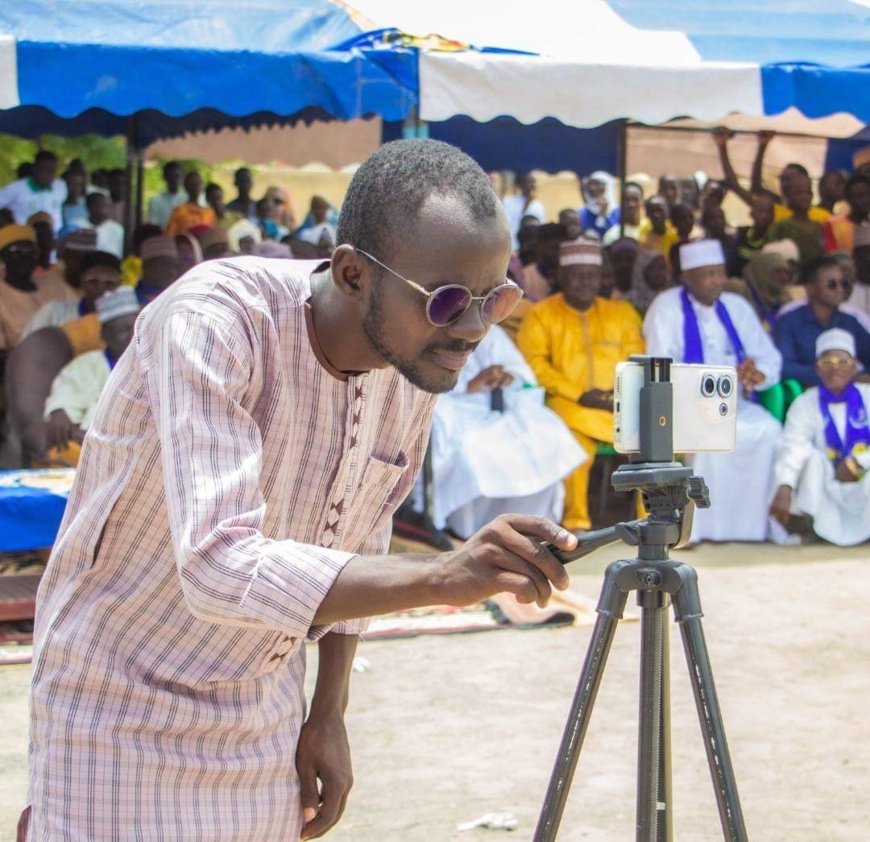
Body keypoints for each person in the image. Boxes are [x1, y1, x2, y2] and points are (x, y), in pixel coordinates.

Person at [21, 138, 575, 841]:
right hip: (119, 703)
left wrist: (328, 708)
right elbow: (220, 569)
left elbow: (363, 530)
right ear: (351, 274)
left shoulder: (414, 355)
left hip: (263, 709)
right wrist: (442, 574)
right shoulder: (215, 324)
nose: (471, 328)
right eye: (447, 301)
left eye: (494, 299)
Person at [642, 239, 783, 543]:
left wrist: (758, 373)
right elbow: (661, 365)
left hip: (735, 404)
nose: (717, 281)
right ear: (687, 278)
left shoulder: (737, 306)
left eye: (720, 273)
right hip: (685, 406)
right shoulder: (666, 307)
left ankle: (753, 528)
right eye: (707, 274)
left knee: (769, 431)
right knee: (708, 442)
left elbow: (769, 356)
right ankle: (701, 529)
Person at [517, 238, 644, 531]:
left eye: (592, 275)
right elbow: (534, 365)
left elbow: (638, 359)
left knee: (652, 440)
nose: (585, 282)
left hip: (619, 403)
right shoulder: (541, 314)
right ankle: (576, 523)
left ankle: (651, 520)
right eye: (577, 275)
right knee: (575, 448)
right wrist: (579, 395)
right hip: (569, 405)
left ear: (601, 278)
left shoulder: (621, 313)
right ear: (562, 276)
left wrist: (619, 393)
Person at [421, 324, 585, 538]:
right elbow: (428, 384)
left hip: (498, 405)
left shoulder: (491, 332)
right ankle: (467, 531)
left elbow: (521, 371)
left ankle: (529, 528)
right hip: (456, 407)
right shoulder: (431, 332)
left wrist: (507, 376)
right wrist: (470, 384)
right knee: (471, 455)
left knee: (544, 440)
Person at [769, 328, 870, 546]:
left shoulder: (867, 395)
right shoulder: (805, 402)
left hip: (863, 481)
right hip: (826, 484)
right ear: (817, 368)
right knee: (811, 459)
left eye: (842, 361)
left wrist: (858, 464)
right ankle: (812, 529)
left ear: (854, 366)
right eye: (827, 362)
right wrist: (785, 486)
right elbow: (793, 446)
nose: (835, 368)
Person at [43, 287, 140, 466]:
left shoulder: (153, 362)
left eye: (136, 328)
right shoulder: (87, 364)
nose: (132, 336)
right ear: (105, 334)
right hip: (93, 445)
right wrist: (60, 412)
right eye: (124, 330)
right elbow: (65, 400)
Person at [774, 255, 870, 388]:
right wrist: (832, 375)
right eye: (831, 284)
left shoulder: (850, 321)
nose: (840, 289)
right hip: (806, 396)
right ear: (810, 289)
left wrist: (856, 375)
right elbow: (783, 366)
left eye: (844, 283)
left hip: (852, 394)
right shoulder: (789, 321)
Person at [0, 224, 78, 354]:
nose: (26, 258)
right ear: (3, 257)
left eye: (32, 252)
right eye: (18, 252)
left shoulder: (54, 283)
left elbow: (79, 316)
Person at [24, 250, 121, 337]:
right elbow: (27, 350)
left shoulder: (126, 325)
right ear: (82, 283)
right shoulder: (53, 313)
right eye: (93, 282)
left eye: (109, 284)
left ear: (119, 286)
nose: (101, 289)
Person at [0, 151, 67, 233]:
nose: (49, 175)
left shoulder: (60, 186)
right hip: (25, 240)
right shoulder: (16, 189)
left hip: (54, 240)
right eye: (45, 170)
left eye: (52, 171)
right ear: (35, 169)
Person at [728, 251, 791, 332]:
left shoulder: (785, 301)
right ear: (761, 272)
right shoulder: (738, 291)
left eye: (786, 273)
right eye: (777, 272)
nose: (784, 278)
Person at [823, 174, 869, 255]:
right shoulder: (834, 224)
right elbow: (831, 254)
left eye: (868, 195)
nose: (866, 200)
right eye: (860, 197)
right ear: (848, 199)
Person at [135, 235, 184, 305]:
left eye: (175, 266)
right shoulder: (130, 300)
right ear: (147, 266)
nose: (172, 271)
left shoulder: (180, 298)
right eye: (165, 265)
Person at [502, 173, 546, 249]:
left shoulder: (538, 205)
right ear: (520, 184)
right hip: (512, 247)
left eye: (532, 182)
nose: (530, 185)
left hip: (532, 248)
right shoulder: (508, 202)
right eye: (526, 182)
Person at [165, 171, 216, 236]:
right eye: (193, 184)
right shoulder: (179, 211)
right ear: (186, 187)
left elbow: (212, 235)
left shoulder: (209, 212)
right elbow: (170, 235)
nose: (196, 187)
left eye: (199, 183)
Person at [78, 191, 125, 258]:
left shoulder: (117, 229)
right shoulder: (77, 226)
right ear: (90, 207)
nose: (109, 210)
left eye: (109, 206)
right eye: (104, 206)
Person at [736, 193, 776, 271]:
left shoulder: (773, 239)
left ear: (773, 216)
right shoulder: (742, 233)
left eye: (768, 212)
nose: (764, 216)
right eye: (760, 211)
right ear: (752, 214)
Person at [626, 250, 670, 315]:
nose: (660, 273)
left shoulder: (670, 299)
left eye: (662, 267)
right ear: (641, 269)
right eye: (654, 267)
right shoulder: (628, 302)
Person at [701, 204, 740, 277]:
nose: (718, 222)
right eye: (713, 219)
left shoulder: (734, 242)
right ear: (705, 223)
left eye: (721, 218)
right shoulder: (701, 247)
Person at [638, 197, 678, 269]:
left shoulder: (675, 234)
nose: (656, 215)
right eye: (652, 211)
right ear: (648, 214)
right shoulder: (644, 241)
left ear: (667, 211)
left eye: (660, 210)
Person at [579, 171, 619, 240]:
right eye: (590, 185)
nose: (592, 189)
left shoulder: (617, 212)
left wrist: (604, 215)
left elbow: (615, 234)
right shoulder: (580, 214)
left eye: (597, 184)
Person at [147, 161, 186, 229]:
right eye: (171, 177)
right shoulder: (156, 201)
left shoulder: (187, 199)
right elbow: (154, 225)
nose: (175, 180)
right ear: (165, 177)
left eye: (177, 176)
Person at [667, 202, 697, 280]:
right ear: (674, 222)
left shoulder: (696, 240)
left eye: (691, 218)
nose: (688, 221)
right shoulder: (675, 245)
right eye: (683, 218)